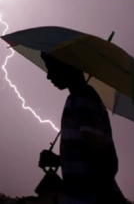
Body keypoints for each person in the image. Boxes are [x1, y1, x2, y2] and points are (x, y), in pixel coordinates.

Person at [38, 52, 128, 204]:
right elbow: (87, 155)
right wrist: (61, 160)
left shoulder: (83, 99)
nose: (48, 76)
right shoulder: (77, 98)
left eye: (51, 69)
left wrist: (108, 197)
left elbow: (100, 155)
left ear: (66, 66)